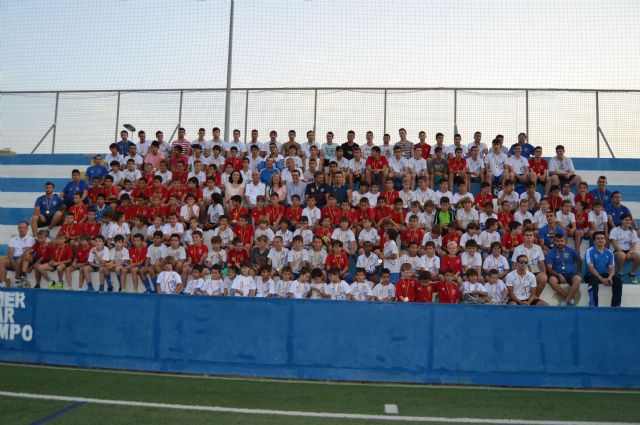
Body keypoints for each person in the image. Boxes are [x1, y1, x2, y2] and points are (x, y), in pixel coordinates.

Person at [585, 231, 622, 307]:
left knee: (618, 280)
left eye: (602, 238)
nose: (600, 240)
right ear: (594, 241)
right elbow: (590, 267)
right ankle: (594, 305)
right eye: (598, 239)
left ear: (605, 240)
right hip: (592, 274)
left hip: (605, 274)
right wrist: (602, 279)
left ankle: (616, 305)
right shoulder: (590, 251)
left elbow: (611, 268)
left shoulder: (609, 252)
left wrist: (610, 277)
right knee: (593, 280)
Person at [545, 234, 582, 306]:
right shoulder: (551, 253)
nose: (560, 243)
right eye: (557, 241)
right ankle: (569, 298)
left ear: (564, 241)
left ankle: (566, 300)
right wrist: (559, 275)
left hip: (571, 273)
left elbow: (579, 259)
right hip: (557, 274)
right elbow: (549, 269)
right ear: (554, 242)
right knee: (551, 281)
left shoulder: (571, 250)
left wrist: (579, 271)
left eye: (561, 241)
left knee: (578, 279)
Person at [0, 222, 35, 286]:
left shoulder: (31, 239)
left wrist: (19, 260)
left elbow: (27, 251)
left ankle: (18, 278)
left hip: (26, 259)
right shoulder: (12, 239)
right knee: (2, 262)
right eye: (20, 228)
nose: (22, 229)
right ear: (18, 228)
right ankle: (2, 284)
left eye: (24, 228)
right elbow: (10, 252)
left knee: (25, 256)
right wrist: (12, 261)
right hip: (15, 258)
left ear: (27, 229)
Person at [609, 213, 639, 283]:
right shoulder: (615, 230)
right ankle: (619, 272)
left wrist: (630, 252)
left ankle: (632, 273)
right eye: (626, 220)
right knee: (622, 256)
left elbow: (633, 245)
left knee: (638, 256)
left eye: (629, 220)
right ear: (622, 220)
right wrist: (621, 251)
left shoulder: (633, 232)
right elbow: (614, 243)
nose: (628, 221)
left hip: (628, 251)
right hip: (617, 250)